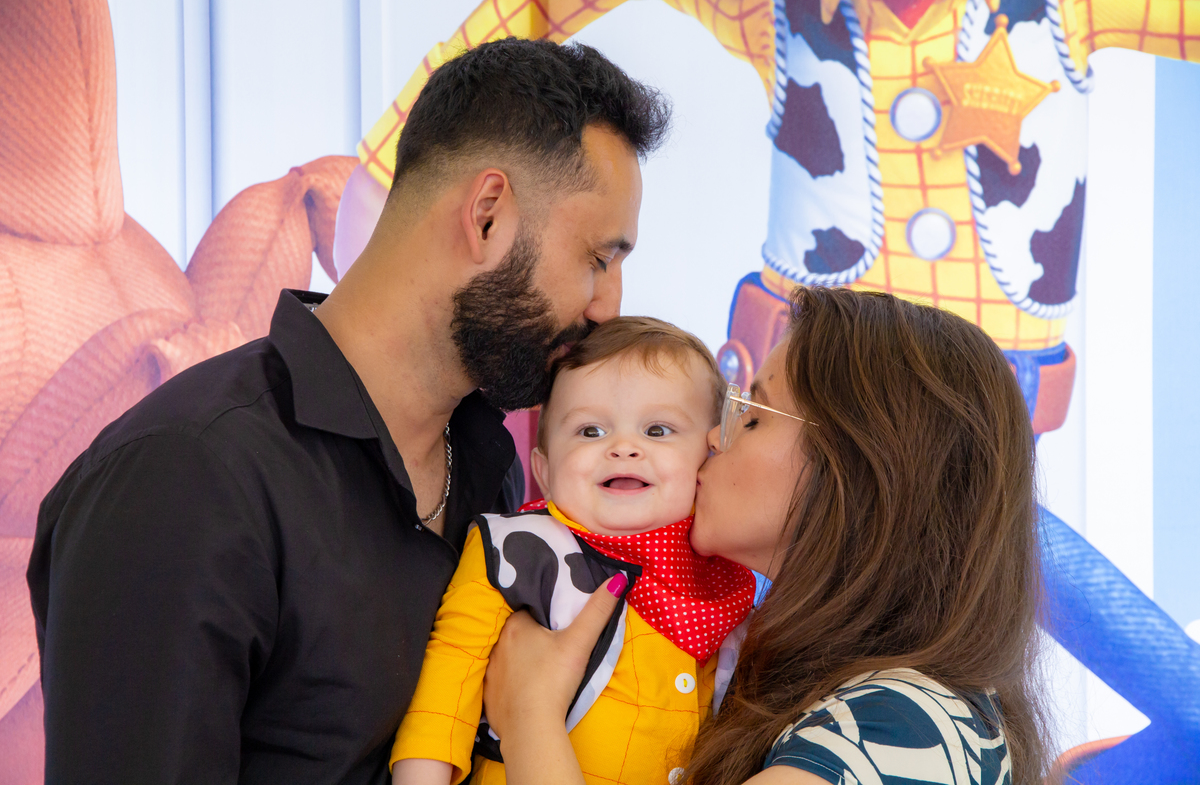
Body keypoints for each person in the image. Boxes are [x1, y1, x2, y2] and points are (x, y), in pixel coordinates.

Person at [26, 38, 669, 784]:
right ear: (488, 215)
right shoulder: (187, 476)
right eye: (598, 259)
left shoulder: (488, 468)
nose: (609, 306)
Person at [480, 286, 1048, 785]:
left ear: (857, 472)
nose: (712, 439)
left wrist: (530, 714)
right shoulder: (779, 667)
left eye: (753, 416)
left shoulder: (906, 728)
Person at [391, 317, 756, 785]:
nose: (623, 448)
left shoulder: (722, 582)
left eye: (657, 430)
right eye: (590, 431)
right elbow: (448, 681)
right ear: (544, 471)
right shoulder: (519, 550)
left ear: (711, 456)